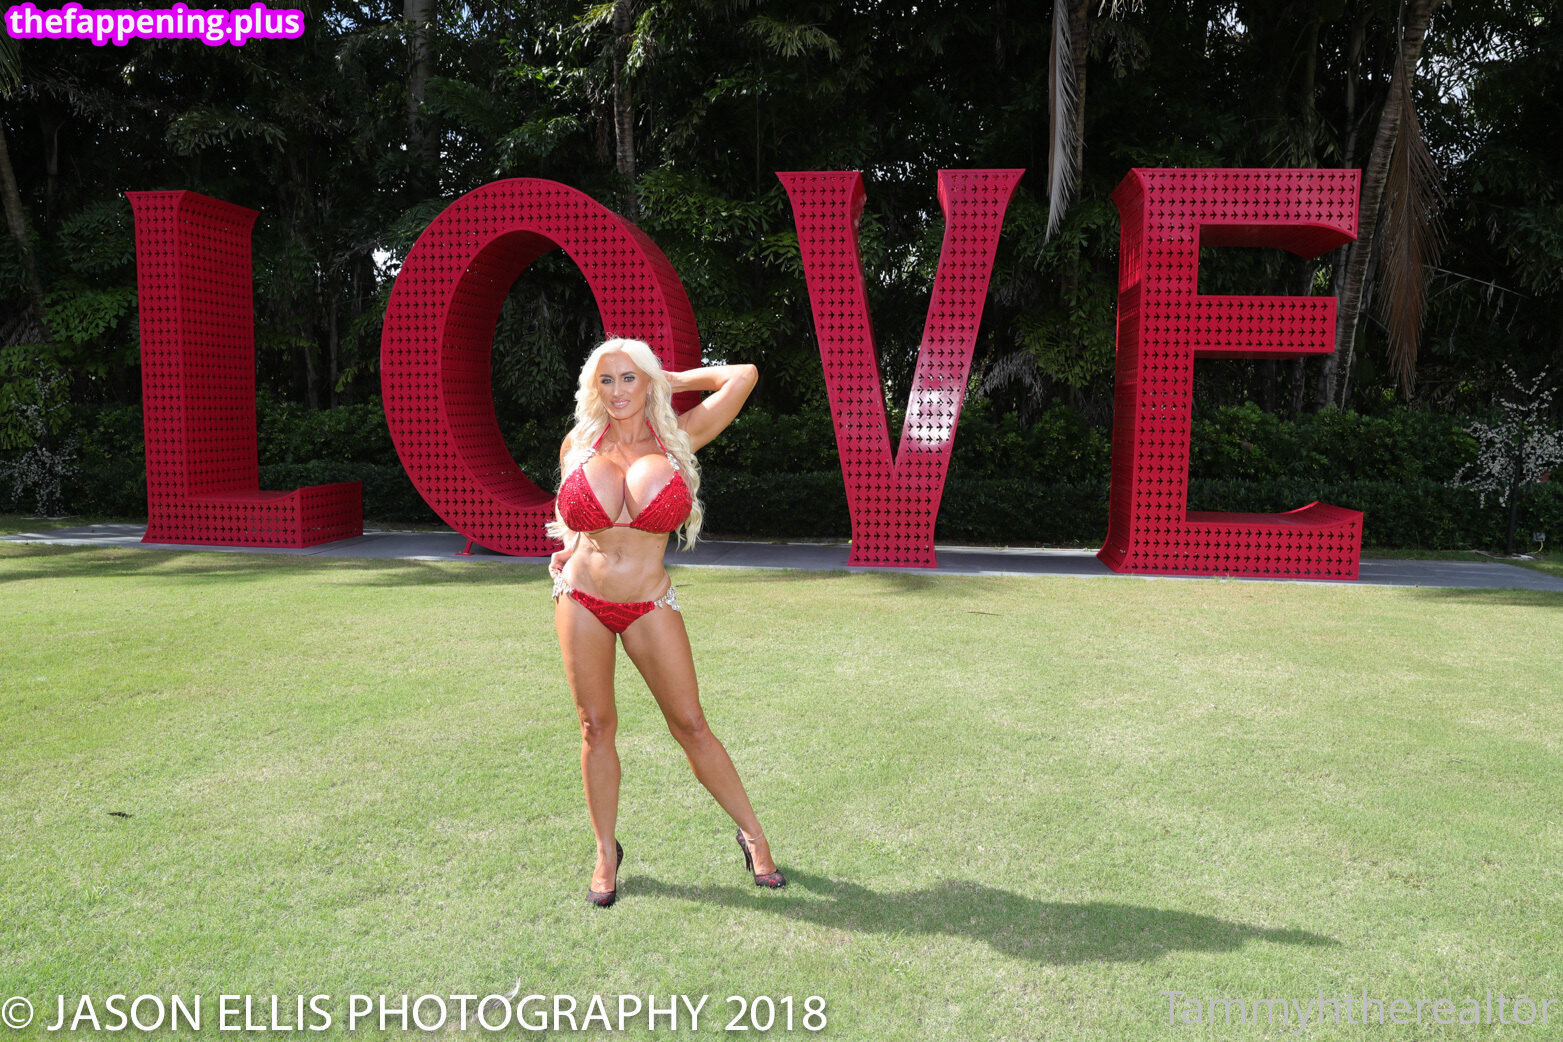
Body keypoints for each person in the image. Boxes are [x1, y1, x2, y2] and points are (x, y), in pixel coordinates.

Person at [547, 337, 783, 908]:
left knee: (692, 725)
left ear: (648, 382)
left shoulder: (679, 436)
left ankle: (754, 836)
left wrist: (670, 379)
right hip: (582, 599)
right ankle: (606, 852)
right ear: (593, 388)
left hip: (649, 602)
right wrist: (568, 547)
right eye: (607, 380)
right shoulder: (579, 442)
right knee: (595, 728)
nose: (618, 391)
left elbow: (744, 374)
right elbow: (572, 515)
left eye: (630, 378)